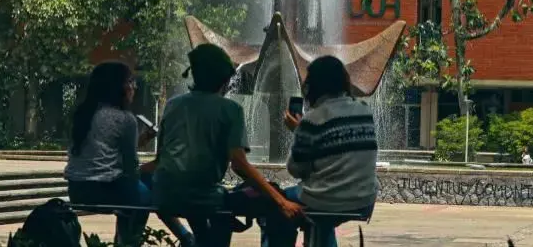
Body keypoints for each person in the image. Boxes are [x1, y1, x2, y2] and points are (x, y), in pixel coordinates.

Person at [152, 43, 304, 247]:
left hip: (165, 195)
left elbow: (160, 159)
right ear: (225, 79)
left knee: (224, 204)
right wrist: (280, 200)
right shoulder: (230, 109)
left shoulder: (173, 104)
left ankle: (192, 239)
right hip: (206, 198)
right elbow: (239, 164)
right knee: (271, 195)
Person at [64, 62, 194, 247]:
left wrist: (141, 141)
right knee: (150, 191)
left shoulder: (83, 114)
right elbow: (131, 168)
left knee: (146, 183)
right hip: (104, 190)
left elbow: (101, 150)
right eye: (130, 81)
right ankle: (130, 243)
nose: (134, 86)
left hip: (77, 190)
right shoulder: (125, 119)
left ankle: (184, 237)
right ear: (117, 86)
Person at [262, 55, 378, 247]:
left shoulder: (312, 120)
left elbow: (296, 169)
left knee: (278, 205)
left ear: (312, 85)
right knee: (321, 204)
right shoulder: (364, 110)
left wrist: (299, 131)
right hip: (365, 198)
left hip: (326, 200)